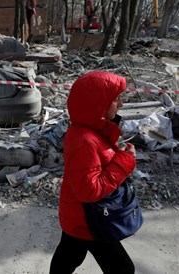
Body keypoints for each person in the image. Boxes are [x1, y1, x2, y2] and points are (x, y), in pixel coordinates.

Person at [49, 71, 137, 274]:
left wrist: (120, 156)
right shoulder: (85, 140)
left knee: (68, 258)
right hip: (90, 220)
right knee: (123, 269)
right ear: (98, 104)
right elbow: (90, 190)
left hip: (80, 217)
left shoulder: (91, 130)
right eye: (116, 99)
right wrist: (126, 161)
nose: (121, 104)